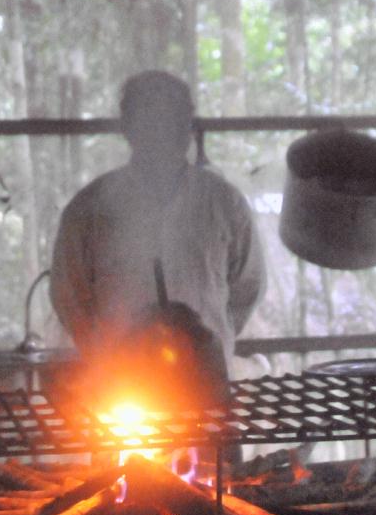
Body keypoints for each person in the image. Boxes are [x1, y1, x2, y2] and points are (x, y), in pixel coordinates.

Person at [49, 70, 266, 378]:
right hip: (123, 388)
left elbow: (247, 287)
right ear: (128, 128)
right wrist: (105, 354)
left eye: (173, 119)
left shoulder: (223, 203)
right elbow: (69, 296)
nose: (161, 131)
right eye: (150, 119)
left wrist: (210, 338)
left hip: (204, 378)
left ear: (188, 127)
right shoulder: (90, 208)